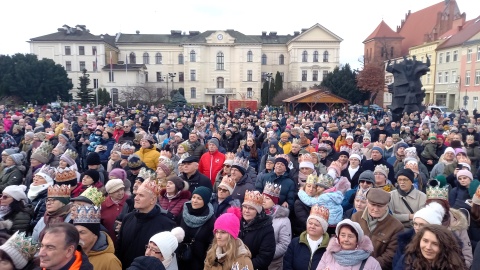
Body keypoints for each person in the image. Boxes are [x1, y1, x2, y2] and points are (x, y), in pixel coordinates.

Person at [116, 179, 176, 269]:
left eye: (141, 195)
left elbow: (166, 258)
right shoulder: (128, 218)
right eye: (136, 194)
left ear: (152, 200)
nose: (136, 198)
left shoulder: (166, 225)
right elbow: (119, 248)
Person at [351, 188, 404, 270]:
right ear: (367, 203)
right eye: (372, 205)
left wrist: (368, 267)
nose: (375, 209)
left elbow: (390, 255)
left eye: (380, 206)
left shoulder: (396, 226)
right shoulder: (356, 217)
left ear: (387, 206)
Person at [392, 201, 446, 268]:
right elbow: (396, 264)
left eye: (422, 225)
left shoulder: (448, 244)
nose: (417, 228)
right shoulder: (405, 240)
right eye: (415, 224)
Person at [394, 224, 467, 270]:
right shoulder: (407, 259)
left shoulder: (454, 264)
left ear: (445, 246)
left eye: (435, 244)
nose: (428, 247)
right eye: (425, 241)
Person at [177, 187, 215, 270]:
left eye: (199, 198)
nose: (194, 201)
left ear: (205, 201)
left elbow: (211, 243)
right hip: (181, 257)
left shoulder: (210, 220)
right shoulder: (184, 214)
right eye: (193, 197)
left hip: (198, 261)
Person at [73, 205, 122, 270]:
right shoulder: (71, 255)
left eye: (82, 232)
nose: (78, 236)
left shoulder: (109, 261)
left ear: (94, 235)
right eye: (75, 232)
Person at [283, 205, 330, 270]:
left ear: (323, 229)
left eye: (316, 225)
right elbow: (287, 265)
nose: (312, 226)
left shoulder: (329, 247)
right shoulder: (295, 242)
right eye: (310, 223)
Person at [239, 190, 275, 270]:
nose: (246, 211)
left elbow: (265, 257)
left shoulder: (267, 228)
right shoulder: (237, 222)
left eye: (251, 208)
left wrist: (245, 266)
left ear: (258, 212)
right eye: (245, 207)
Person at [262, 182, 291, 270]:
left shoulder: (284, 220)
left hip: (273, 263)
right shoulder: (257, 214)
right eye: (262, 197)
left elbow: (284, 244)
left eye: (267, 198)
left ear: (274, 201)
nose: (263, 200)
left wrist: (266, 254)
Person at [28, 165, 55, 231]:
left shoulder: (47, 195)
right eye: (35, 176)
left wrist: (28, 226)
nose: (35, 179)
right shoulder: (28, 190)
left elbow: (39, 219)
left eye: (40, 178)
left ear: (47, 181)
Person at [101, 179, 129, 243]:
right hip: (109, 242)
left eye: (121, 189)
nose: (120, 193)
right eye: (116, 191)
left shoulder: (130, 202)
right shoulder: (103, 205)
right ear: (110, 193)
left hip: (126, 241)